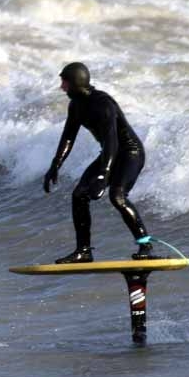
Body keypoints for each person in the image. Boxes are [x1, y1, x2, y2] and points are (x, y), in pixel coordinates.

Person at [43, 62, 160, 263]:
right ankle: (84, 251)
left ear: (76, 83)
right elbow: (68, 137)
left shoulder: (103, 104)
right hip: (109, 153)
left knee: (118, 197)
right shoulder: (76, 106)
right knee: (79, 195)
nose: (62, 87)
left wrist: (103, 174)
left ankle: (145, 247)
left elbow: (112, 141)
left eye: (65, 82)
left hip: (129, 153)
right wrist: (55, 165)